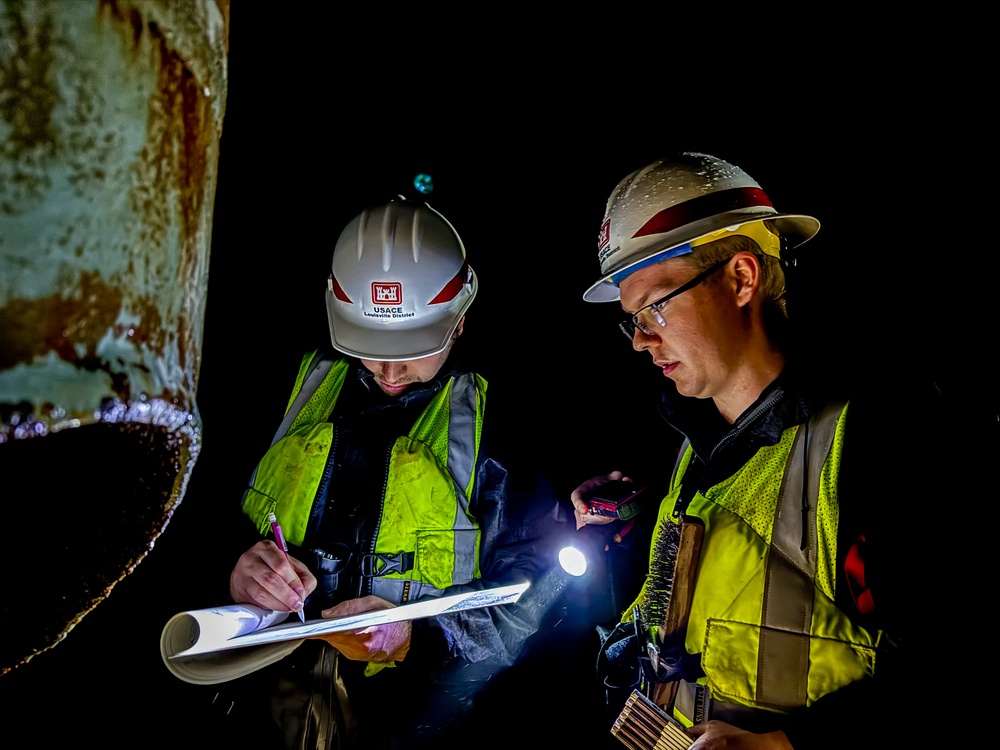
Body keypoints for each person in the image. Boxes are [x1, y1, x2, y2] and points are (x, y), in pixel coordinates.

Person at [569, 152, 984, 749]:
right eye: (631, 318)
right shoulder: (696, 445)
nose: (639, 340)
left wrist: (788, 744)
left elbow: (967, 661)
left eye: (656, 306)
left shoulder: (882, 441)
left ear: (742, 278)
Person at [221, 197, 563, 749]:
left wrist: (415, 635)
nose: (389, 368)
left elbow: (533, 586)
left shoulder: (502, 422)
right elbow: (194, 509)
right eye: (371, 346)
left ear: (460, 321)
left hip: (414, 721)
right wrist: (235, 563)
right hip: (262, 704)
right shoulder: (290, 381)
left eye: (410, 347)